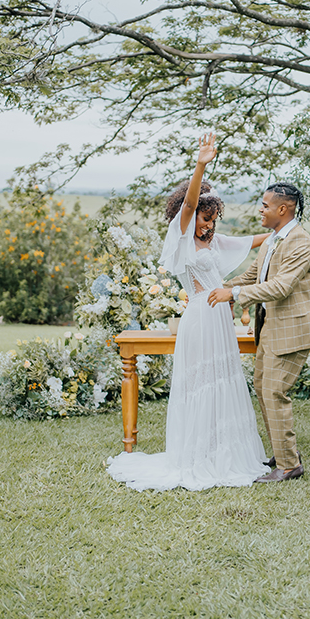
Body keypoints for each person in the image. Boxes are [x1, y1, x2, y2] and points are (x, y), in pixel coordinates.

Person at [106, 133, 270, 491]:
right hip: (199, 316)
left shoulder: (210, 240)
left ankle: (221, 450)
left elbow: (250, 241)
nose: (209, 225)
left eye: (213, 219)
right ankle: (197, 455)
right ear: (191, 213)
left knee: (223, 380)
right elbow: (191, 202)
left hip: (219, 317)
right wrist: (201, 164)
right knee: (201, 382)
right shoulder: (180, 234)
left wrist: (281, 232)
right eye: (204, 218)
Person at [208, 182, 310, 481]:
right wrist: (219, 287)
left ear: (282, 209)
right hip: (270, 329)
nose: (260, 209)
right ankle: (284, 453)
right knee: (263, 388)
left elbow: (281, 286)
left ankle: (289, 466)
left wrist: (233, 295)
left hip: (291, 331)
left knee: (274, 392)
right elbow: (253, 275)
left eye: (265, 205)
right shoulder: (274, 238)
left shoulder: (300, 242)